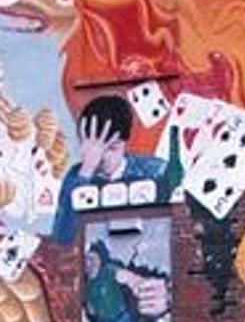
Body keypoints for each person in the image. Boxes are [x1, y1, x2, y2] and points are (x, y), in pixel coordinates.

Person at [50, 95, 166, 245]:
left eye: (111, 147)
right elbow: (62, 238)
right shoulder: (76, 176)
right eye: (93, 148)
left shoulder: (154, 171)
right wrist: (86, 172)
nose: (101, 156)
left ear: (125, 143)